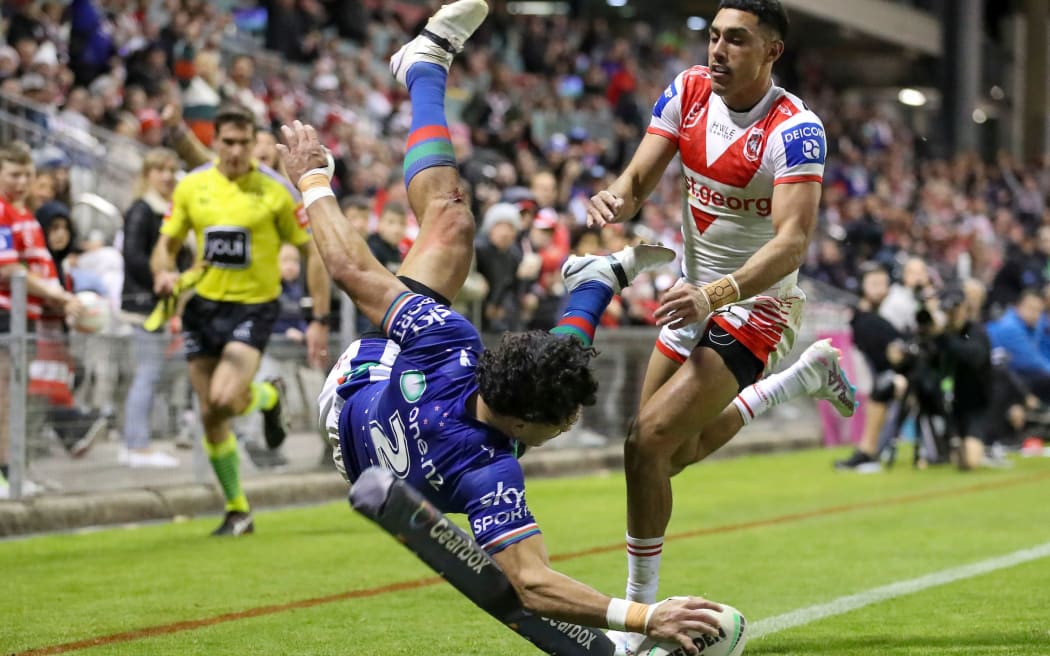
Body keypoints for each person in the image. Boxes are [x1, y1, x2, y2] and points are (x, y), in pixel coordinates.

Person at [282, 2, 725, 652]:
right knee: (463, 233)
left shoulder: (449, 349)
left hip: (356, 393)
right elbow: (533, 582)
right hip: (382, 415)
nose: (571, 427)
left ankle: (428, 74)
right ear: (523, 428)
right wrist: (645, 619)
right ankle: (592, 281)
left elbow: (353, 269)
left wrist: (314, 181)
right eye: (563, 424)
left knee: (457, 236)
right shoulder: (493, 468)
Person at [584, 1, 857, 642]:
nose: (717, 51)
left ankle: (637, 621)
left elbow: (792, 242)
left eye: (736, 40)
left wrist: (719, 294)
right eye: (713, 37)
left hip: (757, 306)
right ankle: (799, 380)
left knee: (646, 441)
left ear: (771, 51)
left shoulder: (796, 129)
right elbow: (639, 179)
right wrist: (616, 197)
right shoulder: (686, 92)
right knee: (660, 456)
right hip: (693, 295)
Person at [150, 103, 331, 536]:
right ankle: (238, 509)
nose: (234, 150)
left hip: (254, 306)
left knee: (225, 399)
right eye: (227, 142)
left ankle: (268, 396)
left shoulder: (276, 191)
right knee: (211, 413)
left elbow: (313, 252)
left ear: (255, 144)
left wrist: (318, 317)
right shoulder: (192, 186)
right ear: (215, 142)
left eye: (243, 142)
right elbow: (167, 243)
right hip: (203, 305)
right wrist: (161, 271)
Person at [0, 142, 84, 498]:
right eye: (13, 174)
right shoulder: (3, 212)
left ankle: (13, 470)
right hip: (6, 315)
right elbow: (9, 270)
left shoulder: (25, 215)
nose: (21, 182)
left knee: (14, 399)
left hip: (25, 318)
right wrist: (59, 294)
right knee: (4, 398)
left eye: (27, 175)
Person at [119, 147, 187, 468]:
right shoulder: (142, 209)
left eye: (171, 169)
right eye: (159, 169)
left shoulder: (166, 209)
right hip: (145, 305)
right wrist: (159, 278)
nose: (166, 176)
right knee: (147, 373)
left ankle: (137, 442)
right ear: (147, 174)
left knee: (152, 373)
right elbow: (132, 255)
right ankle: (136, 445)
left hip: (160, 305)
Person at [836, 263, 903, 472]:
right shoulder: (865, 320)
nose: (881, 289)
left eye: (883, 284)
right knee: (884, 386)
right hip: (888, 376)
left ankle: (869, 451)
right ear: (862, 286)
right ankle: (868, 451)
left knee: (884, 386)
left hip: (901, 376)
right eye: (874, 284)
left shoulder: (875, 319)